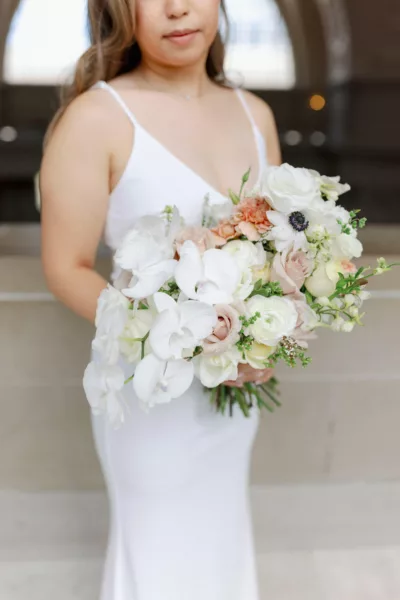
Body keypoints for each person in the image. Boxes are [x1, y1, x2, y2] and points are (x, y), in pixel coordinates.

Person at [40, 1, 282, 598]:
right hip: (147, 393)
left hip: (233, 392)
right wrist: (174, 332)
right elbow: (66, 268)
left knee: (219, 545)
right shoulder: (96, 117)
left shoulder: (256, 115)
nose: (177, 7)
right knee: (157, 554)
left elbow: (277, 254)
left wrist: (265, 334)